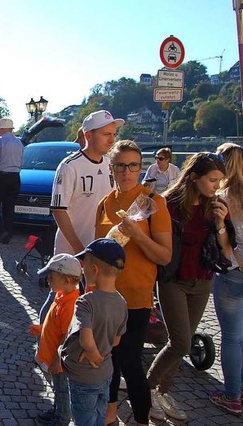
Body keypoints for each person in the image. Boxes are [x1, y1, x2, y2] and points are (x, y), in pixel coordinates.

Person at [146, 152, 234, 421]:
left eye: (220, 181)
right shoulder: (168, 203)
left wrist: (220, 224)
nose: (216, 186)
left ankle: (162, 392)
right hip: (173, 280)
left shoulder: (216, 206)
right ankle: (147, 388)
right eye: (212, 180)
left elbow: (227, 252)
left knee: (181, 342)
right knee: (182, 342)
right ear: (194, 177)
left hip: (203, 280)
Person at [95, 140, 172, 425]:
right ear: (111, 168)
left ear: (140, 168)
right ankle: (110, 416)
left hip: (136, 298)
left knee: (130, 363)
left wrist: (137, 236)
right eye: (120, 166)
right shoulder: (104, 203)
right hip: (105, 297)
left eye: (133, 166)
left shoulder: (153, 202)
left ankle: (141, 419)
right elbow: (97, 251)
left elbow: (164, 256)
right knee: (109, 364)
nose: (127, 172)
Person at [40, 111, 123, 327]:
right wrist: (79, 249)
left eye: (113, 134)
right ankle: (44, 343)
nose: (112, 139)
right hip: (72, 249)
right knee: (58, 299)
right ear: (88, 135)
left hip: (100, 250)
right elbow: (59, 210)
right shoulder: (70, 166)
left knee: (90, 301)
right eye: (106, 134)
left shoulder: (110, 165)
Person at [60, 238, 128, 426]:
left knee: (84, 419)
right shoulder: (122, 302)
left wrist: (93, 352)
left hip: (85, 374)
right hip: (106, 372)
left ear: (95, 270)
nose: (82, 269)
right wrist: (101, 352)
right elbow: (116, 340)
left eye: (85, 264)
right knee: (99, 415)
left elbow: (86, 340)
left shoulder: (86, 301)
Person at [209, 143, 243, 416]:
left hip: (233, 272)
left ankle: (232, 395)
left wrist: (220, 226)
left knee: (231, 337)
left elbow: (225, 246)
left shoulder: (222, 197)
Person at [28, 254, 82, 426]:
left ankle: (63, 418)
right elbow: (56, 326)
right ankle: (58, 410)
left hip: (59, 360)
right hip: (54, 356)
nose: (48, 280)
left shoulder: (70, 305)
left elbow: (67, 337)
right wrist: (43, 329)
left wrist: (58, 359)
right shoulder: (60, 296)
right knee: (58, 388)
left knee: (62, 389)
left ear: (66, 280)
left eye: (51, 277)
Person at [0, 118, 24, 244]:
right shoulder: (19, 143)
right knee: (9, 207)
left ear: (2, 129)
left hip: (1, 176)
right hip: (15, 176)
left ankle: (0, 231)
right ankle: (7, 235)